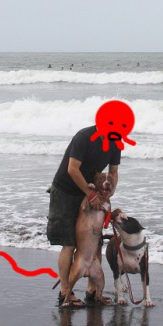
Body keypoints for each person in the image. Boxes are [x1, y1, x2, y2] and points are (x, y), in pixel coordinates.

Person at [47, 123, 121, 307]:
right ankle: (65, 291)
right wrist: (90, 194)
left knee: (95, 241)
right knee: (69, 243)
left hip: (89, 191)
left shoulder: (115, 142)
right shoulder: (85, 136)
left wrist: (110, 192)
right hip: (65, 191)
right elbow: (72, 169)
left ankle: (92, 290)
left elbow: (113, 172)